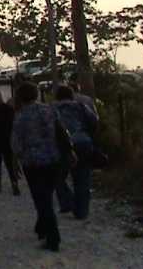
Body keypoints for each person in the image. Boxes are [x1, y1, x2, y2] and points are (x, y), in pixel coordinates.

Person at [11, 82, 74, 252]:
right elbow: (61, 132)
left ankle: (52, 237)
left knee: (42, 199)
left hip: (32, 163)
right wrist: (68, 151)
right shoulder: (49, 110)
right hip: (53, 159)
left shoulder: (20, 116)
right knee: (46, 195)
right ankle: (42, 229)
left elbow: (16, 143)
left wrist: (15, 161)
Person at [53, 85, 98, 219]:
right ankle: (81, 211)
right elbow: (94, 121)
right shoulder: (81, 106)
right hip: (83, 143)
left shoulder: (51, 109)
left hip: (60, 146)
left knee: (57, 176)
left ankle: (67, 201)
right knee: (82, 178)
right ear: (72, 95)